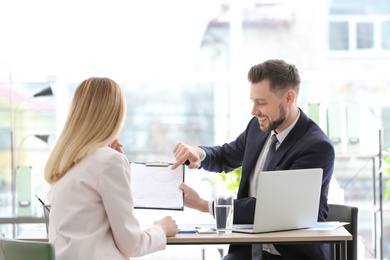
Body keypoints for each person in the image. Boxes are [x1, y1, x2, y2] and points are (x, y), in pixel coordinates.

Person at [172, 59, 335, 260]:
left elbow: (273, 208)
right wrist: (199, 153)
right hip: (250, 250)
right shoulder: (258, 128)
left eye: (262, 102)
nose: (254, 110)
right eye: (253, 101)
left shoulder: (315, 147)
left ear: (289, 97)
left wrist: (204, 205)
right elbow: (226, 155)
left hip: (291, 254)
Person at [44, 77, 178, 260]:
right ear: (115, 117)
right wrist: (161, 229)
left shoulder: (64, 162)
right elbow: (133, 245)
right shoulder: (110, 161)